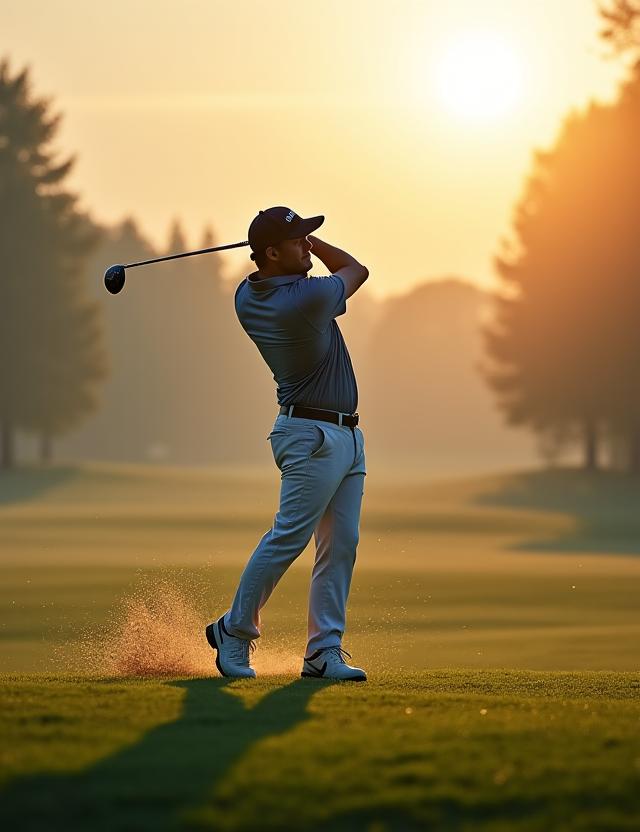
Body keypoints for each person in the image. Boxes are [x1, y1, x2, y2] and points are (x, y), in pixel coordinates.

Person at [206, 206, 369, 681]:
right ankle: (234, 631)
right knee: (289, 537)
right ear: (272, 253)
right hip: (313, 436)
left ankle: (323, 652)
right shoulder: (305, 299)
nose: (309, 248)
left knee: (340, 545)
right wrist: (315, 250)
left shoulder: (247, 294)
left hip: (343, 434)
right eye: (300, 241)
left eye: (309, 239)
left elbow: (267, 274)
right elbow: (358, 269)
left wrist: (287, 249)